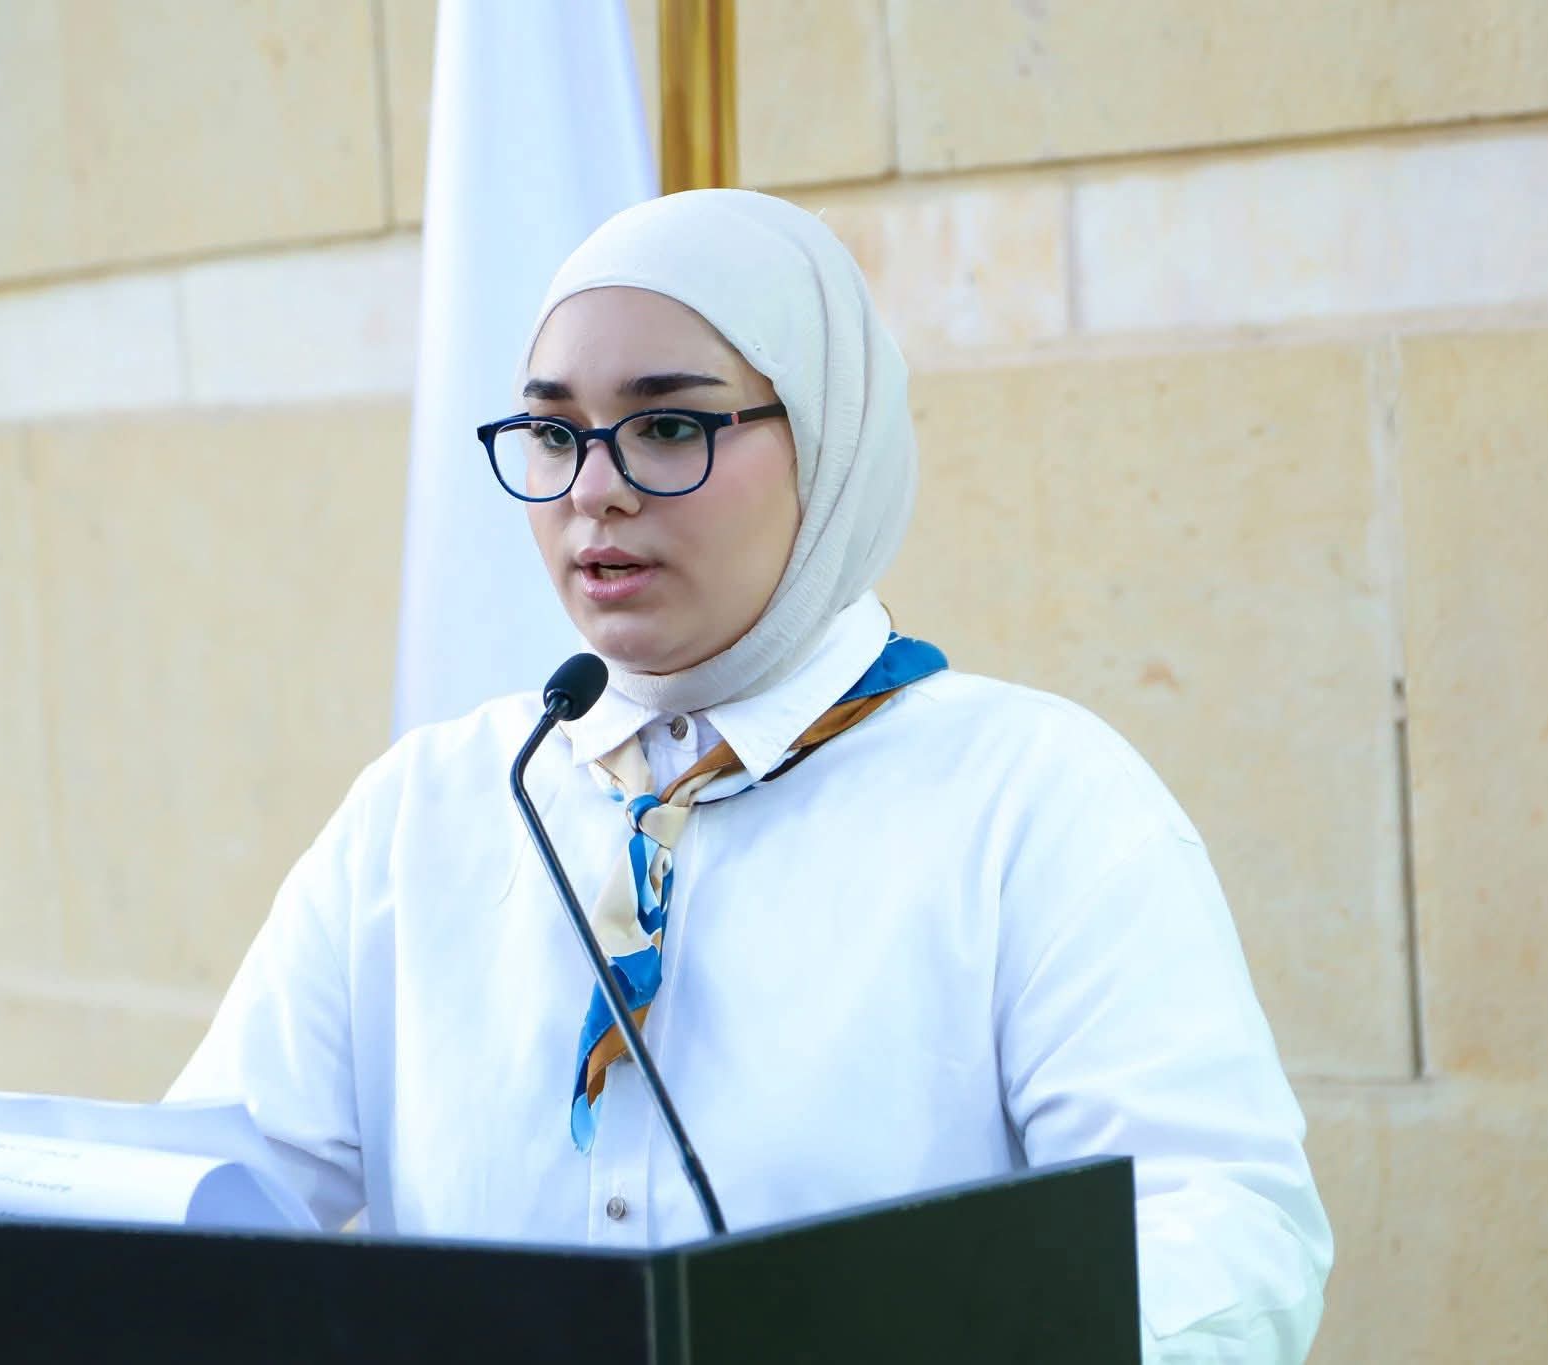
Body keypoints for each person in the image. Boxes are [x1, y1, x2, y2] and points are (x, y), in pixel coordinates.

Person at [170, 189, 1333, 1361]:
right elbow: (199, 1210)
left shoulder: (1032, 803)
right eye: (554, 434)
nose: (593, 490)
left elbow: (1225, 1232)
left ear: (826, 438)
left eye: (668, 426)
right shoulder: (422, 810)